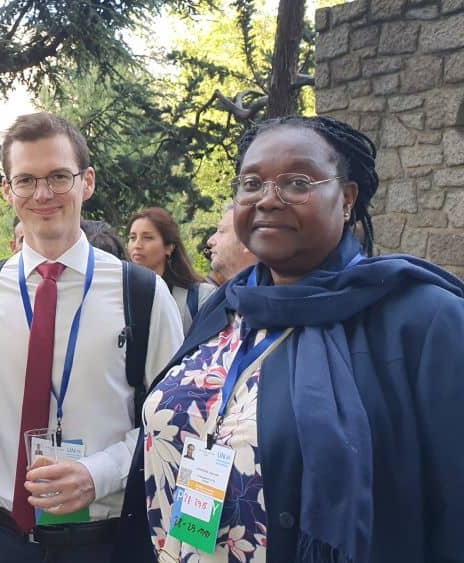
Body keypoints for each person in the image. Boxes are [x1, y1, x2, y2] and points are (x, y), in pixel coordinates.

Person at [136, 115, 464, 563]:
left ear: (347, 199)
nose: (268, 200)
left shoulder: (423, 320)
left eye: (297, 182)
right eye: (252, 183)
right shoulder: (227, 306)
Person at [0, 112, 184, 562]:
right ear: (7, 189)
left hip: (106, 540)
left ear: (87, 182)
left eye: (59, 177)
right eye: (26, 180)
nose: (43, 194)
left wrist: (99, 473)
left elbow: (171, 422)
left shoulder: (140, 292)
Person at [127, 207, 215, 333]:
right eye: (132, 238)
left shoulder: (200, 297)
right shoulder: (121, 293)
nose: (137, 245)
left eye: (147, 238)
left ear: (169, 247)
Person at [205, 203, 256, 286]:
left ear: (248, 242)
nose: (210, 241)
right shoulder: (225, 296)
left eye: (221, 231)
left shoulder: (270, 295)